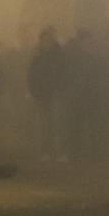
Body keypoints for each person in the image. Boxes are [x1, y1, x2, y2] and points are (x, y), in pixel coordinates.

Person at [27, 29, 67, 160]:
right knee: (45, 125)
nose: (46, 43)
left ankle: (58, 152)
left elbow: (64, 74)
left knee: (56, 124)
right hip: (42, 95)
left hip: (55, 94)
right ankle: (46, 151)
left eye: (48, 40)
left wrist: (61, 89)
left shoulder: (59, 55)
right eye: (44, 40)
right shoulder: (38, 56)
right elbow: (31, 75)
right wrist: (33, 91)